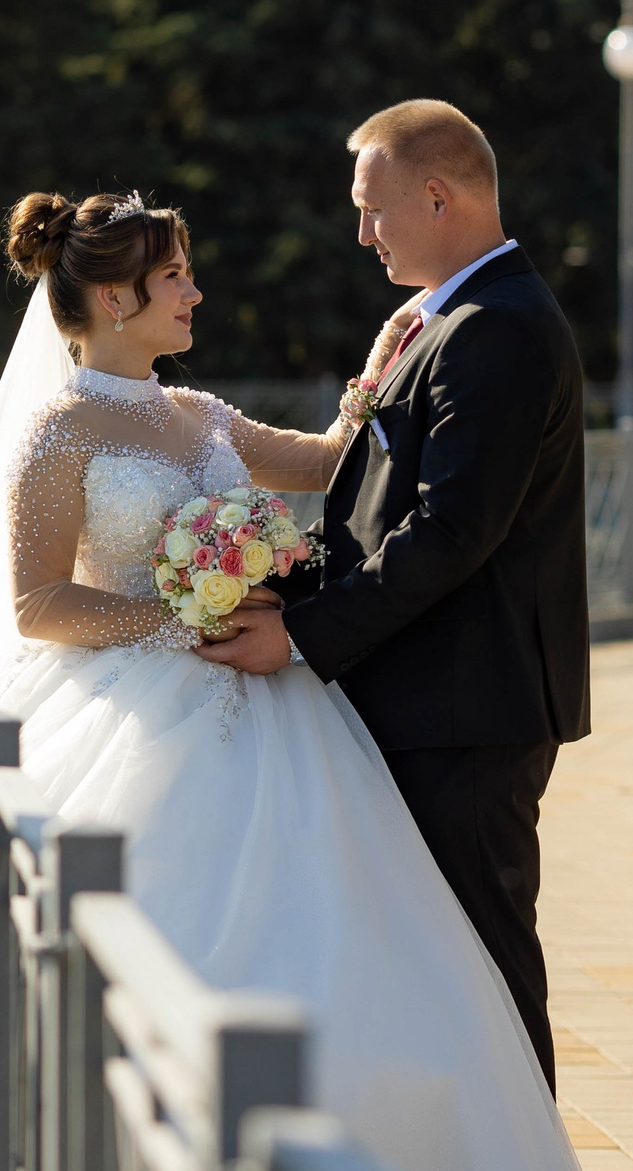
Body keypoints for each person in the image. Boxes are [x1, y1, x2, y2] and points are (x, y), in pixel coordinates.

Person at [0, 180, 633, 1171]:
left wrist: (378, 376)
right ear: (108, 293)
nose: (194, 291)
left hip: (277, 708)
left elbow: (330, 461)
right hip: (146, 711)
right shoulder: (59, 432)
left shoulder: (195, 415)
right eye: (173, 274)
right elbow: (40, 604)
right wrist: (179, 617)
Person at [200, 100, 585, 1098]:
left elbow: (453, 532)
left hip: (465, 707)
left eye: (373, 209)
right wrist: (276, 575)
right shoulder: (446, 320)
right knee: (432, 963)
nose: (362, 233)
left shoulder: (495, 328)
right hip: (431, 695)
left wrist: (299, 637)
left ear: (436, 195)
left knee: (483, 961)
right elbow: (377, 512)